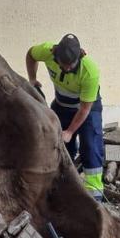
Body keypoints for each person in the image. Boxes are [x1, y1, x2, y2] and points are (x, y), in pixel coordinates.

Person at [26, 34, 105, 200]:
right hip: (62, 105)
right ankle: (64, 186)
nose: (67, 68)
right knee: (59, 146)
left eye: (71, 65)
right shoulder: (47, 51)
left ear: (80, 56)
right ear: (55, 54)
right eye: (64, 64)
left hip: (87, 109)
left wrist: (69, 131)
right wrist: (32, 79)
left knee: (90, 146)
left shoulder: (90, 71)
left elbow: (84, 109)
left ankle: (95, 195)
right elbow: (31, 55)